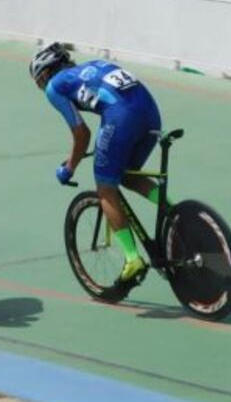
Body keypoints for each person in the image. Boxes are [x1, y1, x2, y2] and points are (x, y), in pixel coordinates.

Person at [30, 43, 162, 284]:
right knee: (127, 174)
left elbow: (82, 134)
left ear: (46, 73)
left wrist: (69, 167)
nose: (43, 88)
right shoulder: (91, 65)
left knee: (105, 187)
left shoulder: (55, 86)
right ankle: (173, 212)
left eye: (39, 82)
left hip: (121, 118)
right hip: (151, 113)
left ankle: (133, 259)